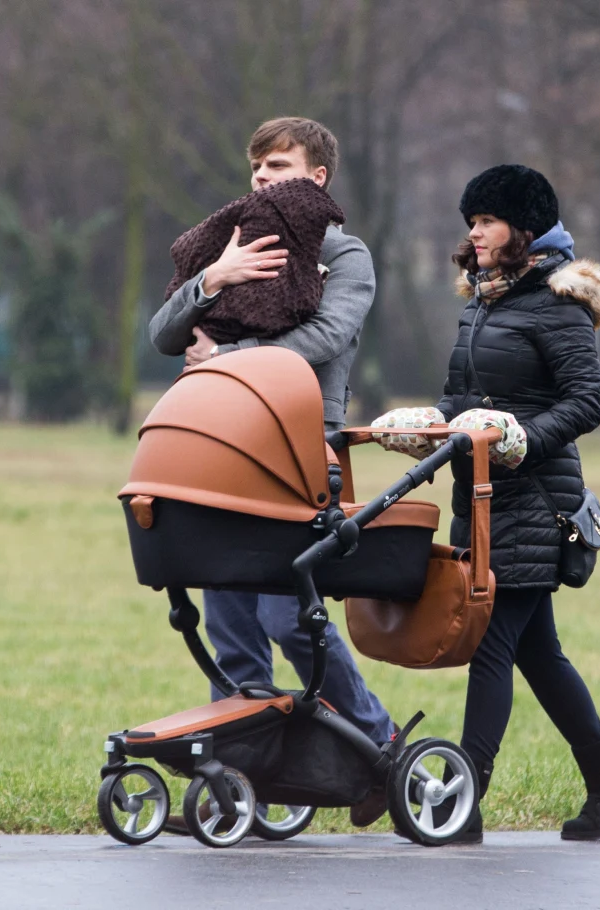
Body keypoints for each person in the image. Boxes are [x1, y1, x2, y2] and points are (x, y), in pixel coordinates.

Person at [370, 164, 600, 844]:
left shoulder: (558, 305)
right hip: (483, 501)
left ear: (524, 229)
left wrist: (520, 439)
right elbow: (462, 400)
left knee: (492, 644)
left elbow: (586, 403)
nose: (474, 231)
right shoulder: (481, 304)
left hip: (538, 506)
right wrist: (427, 426)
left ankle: (462, 800)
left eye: (487, 219)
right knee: (540, 656)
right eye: (471, 220)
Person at [148, 117, 394, 827]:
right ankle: (249, 761)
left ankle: (379, 740)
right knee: (226, 606)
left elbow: (326, 336)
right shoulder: (230, 245)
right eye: (255, 168)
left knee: (292, 616)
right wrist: (212, 279)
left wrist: (228, 357)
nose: (261, 179)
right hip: (223, 441)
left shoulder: (347, 257)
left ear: (316, 176)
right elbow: (162, 335)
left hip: (301, 448)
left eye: (277, 165)